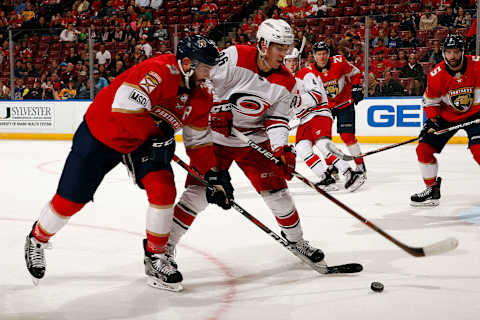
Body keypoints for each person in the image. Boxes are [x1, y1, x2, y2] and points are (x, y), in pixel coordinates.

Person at [24, 35, 234, 292]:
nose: (209, 75)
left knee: (164, 189)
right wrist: (152, 135)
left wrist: (213, 174)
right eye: (206, 68)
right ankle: (37, 239)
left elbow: (198, 141)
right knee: (72, 199)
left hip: (148, 140)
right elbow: (123, 109)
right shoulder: (157, 72)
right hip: (103, 134)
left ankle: (155, 257)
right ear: (187, 63)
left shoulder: (202, 96)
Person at [166, 19, 325, 271]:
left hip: (253, 139)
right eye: (279, 48)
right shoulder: (236, 56)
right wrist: (216, 109)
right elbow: (204, 81)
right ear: (263, 44)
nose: (284, 54)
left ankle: (297, 241)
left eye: (286, 48)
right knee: (197, 194)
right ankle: (164, 250)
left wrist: (280, 149)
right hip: (214, 138)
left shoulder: (286, 82)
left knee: (279, 195)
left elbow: (277, 119)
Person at [411, 34, 480, 206]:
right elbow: (430, 102)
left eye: (456, 52)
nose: (452, 56)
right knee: (423, 149)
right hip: (447, 115)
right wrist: (433, 122)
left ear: (462, 52)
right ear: (443, 53)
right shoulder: (436, 75)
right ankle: (432, 189)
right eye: (448, 52)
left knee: (479, 151)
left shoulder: (478, 65)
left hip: (477, 113)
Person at [293, 41, 366, 192]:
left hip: (343, 103)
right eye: (319, 54)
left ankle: (359, 167)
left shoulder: (338, 62)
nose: (322, 57)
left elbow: (356, 72)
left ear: (329, 54)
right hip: (325, 108)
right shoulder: (310, 71)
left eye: (324, 53)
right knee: (323, 141)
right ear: (314, 56)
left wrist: (357, 86)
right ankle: (331, 169)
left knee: (346, 136)